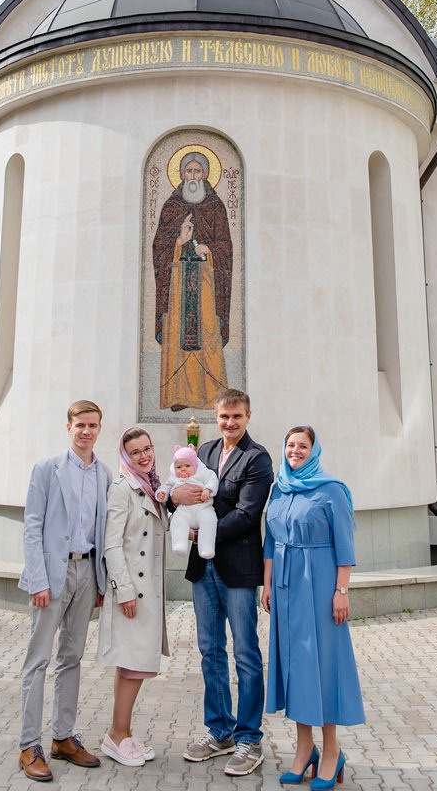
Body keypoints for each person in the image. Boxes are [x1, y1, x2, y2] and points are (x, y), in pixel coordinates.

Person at [261, 426, 365, 789]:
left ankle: (333, 751)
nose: (295, 451)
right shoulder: (279, 488)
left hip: (320, 585)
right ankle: (304, 749)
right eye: (290, 445)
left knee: (323, 666)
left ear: (314, 450)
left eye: (302, 446)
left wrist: (342, 591)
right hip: (286, 588)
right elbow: (271, 541)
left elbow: (345, 546)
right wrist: (268, 584)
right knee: (295, 667)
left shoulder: (331, 490)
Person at [177, 389, 273, 777]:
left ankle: (249, 737)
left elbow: (248, 513)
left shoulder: (258, 458)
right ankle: (220, 731)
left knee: (246, 653)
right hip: (204, 568)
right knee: (210, 650)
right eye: (223, 417)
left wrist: (203, 533)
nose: (230, 423)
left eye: (236, 417)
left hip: (236, 567)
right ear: (215, 417)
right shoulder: (206, 452)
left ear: (248, 416)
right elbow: (190, 494)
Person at [17, 400, 112, 783]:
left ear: (99, 429)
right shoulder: (47, 469)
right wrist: (38, 579)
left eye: (92, 425)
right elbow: (32, 525)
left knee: (71, 658)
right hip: (52, 576)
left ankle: (62, 737)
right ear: (68, 427)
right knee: (37, 660)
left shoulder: (104, 474)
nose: (86, 431)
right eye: (80, 425)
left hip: (86, 572)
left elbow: (103, 530)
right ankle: (29, 745)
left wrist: (101, 582)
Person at [97, 427, 169, 768]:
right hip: (131, 593)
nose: (143, 456)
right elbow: (112, 544)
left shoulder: (153, 487)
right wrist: (123, 590)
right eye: (135, 452)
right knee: (131, 667)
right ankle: (116, 735)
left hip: (148, 592)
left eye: (147, 449)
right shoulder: (122, 489)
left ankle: (121, 731)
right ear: (126, 456)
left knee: (133, 666)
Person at [153, 149, 233, 409]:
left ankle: (211, 396)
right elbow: (159, 247)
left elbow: (226, 246)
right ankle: (177, 395)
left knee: (207, 334)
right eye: (189, 171)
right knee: (177, 334)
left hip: (207, 284)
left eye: (198, 171)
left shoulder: (215, 206)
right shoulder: (172, 206)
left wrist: (208, 249)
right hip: (177, 284)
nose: (193, 176)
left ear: (207, 175)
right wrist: (179, 242)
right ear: (181, 174)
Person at [156, 443, 218, 557]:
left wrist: (208, 490)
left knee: (209, 521)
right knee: (177, 521)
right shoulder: (174, 477)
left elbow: (213, 479)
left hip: (203, 509)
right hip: (184, 510)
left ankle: (206, 548)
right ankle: (179, 545)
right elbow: (166, 486)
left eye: (187, 466)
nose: (183, 469)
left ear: (195, 465)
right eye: (179, 467)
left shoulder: (203, 473)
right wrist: (162, 493)